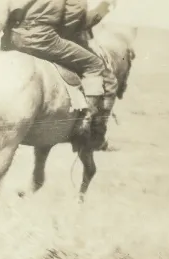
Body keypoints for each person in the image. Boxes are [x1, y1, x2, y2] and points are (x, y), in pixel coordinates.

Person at [0, 0, 108, 143]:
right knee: (95, 64)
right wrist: (105, 7)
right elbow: (74, 19)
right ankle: (87, 121)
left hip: (11, 39)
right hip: (42, 39)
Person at [60, 0, 118, 149]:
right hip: (69, 41)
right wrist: (105, 5)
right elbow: (79, 22)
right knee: (109, 82)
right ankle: (96, 135)